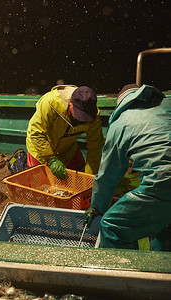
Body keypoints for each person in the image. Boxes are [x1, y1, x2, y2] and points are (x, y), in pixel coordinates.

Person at [85, 84, 171, 250]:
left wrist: (97, 206)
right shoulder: (166, 105)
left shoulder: (121, 124)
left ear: (121, 103)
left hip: (164, 182)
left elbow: (108, 176)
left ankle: (128, 275)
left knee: (112, 227)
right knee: (164, 224)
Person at [26, 85, 104, 180]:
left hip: (67, 149)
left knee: (78, 176)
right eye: (79, 114)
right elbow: (36, 134)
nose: (82, 119)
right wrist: (51, 159)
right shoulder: (50, 102)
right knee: (38, 180)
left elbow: (95, 148)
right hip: (40, 148)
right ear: (70, 101)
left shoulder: (94, 115)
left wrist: (89, 179)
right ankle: (19, 161)